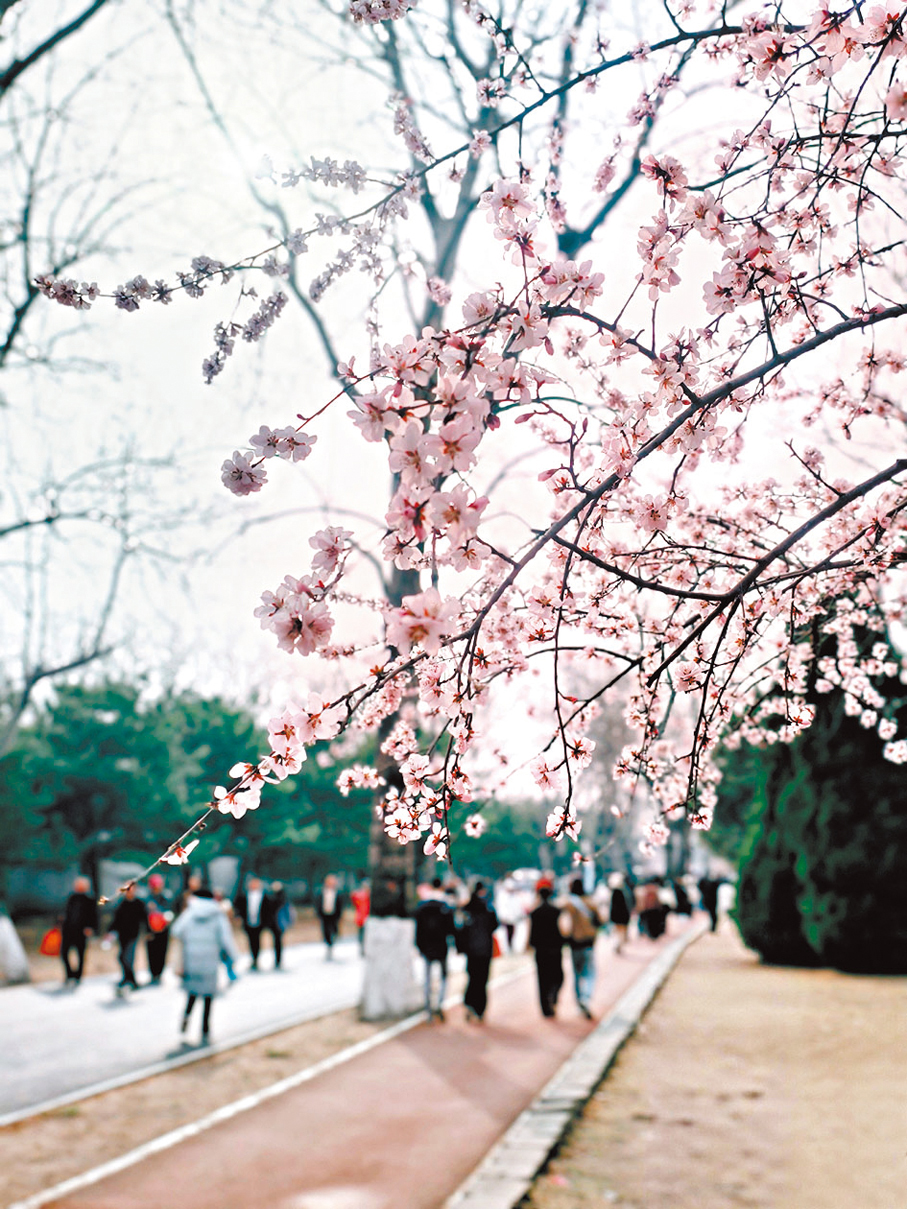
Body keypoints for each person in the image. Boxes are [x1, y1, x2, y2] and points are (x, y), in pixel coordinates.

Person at [172, 887, 238, 1044]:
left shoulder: (189, 913)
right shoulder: (218, 915)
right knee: (208, 995)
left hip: (191, 959)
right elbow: (226, 938)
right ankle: (205, 1028)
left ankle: (186, 1016)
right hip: (210, 960)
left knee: (192, 993)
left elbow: (176, 930)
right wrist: (233, 957)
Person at [559, 876, 601, 1019]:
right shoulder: (590, 903)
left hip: (574, 943)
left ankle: (579, 1001)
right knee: (590, 972)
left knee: (576, 974)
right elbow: (600, 920)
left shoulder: (568, 903)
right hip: (589, 942)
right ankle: (586, 998)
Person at [415, 877, 455, 1020]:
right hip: (441, 946)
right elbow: (451, 929)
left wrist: (419, 946)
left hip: (427, 947)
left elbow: (418, 929)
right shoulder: (446, 906)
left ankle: (428, 1008)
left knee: (427, 978)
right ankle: (439, 1003)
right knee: (443, 976)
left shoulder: (422, 906)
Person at [459, 881, 498, 1022]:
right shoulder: (488, 908)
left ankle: (470, 1002)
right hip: (485, 949)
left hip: (471, 950)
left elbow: (461, 929)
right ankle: (479, 1007)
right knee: (482, 979)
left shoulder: (466, 909)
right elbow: (495, 925)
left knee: (472, 976)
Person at [528, 878, 564, 1017]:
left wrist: (529, 945)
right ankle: (553, 995)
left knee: (542, 979)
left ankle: (545, 1008)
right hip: (555, 948)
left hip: (541, 950)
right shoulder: (556, 910)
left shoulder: (534, 912)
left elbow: (532, 932)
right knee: (558, 975)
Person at [109, 883, 147, 995]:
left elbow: (144, 918)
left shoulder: (139, 903)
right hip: (122, 935)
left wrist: (148, 931)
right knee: (121, 957)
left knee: (128, 958)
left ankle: (130, 980)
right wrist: (110, 931)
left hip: (133, 935)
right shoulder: (121, 904)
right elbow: (116, 920)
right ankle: (128, 979)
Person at [60, 875, 98, 986]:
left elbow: (94, 915)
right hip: (68, 930)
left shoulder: (89, 899)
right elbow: (66, 912)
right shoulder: (71, 898)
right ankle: (69, 974)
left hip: (81, 931)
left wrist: (91, 927)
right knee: (64, 953)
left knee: (80, 955)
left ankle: (78, 976)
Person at [144, 873, 174, 985]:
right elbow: (144, 916)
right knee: (151, 952)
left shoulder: (166, 897)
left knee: (162, 952)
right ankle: (153, 974)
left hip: (163, 929)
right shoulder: (147, 899)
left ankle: (160, 974)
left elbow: (170, 911)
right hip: (151, 930)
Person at [233, 876, 266, 970]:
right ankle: (252, 958)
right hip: (248, 922)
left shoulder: (264, 896)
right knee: (250, 940)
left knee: (257, 940)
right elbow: (238, 907)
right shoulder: (244, 896)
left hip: (259, 922)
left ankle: (256, 958)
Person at [316, 874, 344, 959]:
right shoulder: (322, 892)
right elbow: (318, 903)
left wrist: (340, 915)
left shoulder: (338, 893)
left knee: (334, 930)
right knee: (326, 931)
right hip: (325, 914)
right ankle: (328, 944)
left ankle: (332, 942)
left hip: (334, 915)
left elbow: (340, 905)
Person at [262, 880, 287, 970]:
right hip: (272, 922)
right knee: (276, 941)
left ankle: (278, 960)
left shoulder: (282, 898)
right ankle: (277, 960)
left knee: (278, 942)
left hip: (279, 923)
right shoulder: (269, 897)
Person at [494, 876, 523, 952]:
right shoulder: (502, 895)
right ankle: (507, 947)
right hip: (505, 918)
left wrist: (518, 915)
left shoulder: (515, 896)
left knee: (512, 932)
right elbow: (500, 906)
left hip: (513, 918)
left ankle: (511, 945)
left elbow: (517, 906)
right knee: (505, 933)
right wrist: (501, 916)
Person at [607, 872, 631, 954]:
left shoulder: (615, 893)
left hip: (617, 916)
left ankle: (618, 946)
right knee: (621, 933)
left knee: (618, 932)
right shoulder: (624, 892)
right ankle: (619, 946)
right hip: (622, 916)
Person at [350, 878, 371, 953]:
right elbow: (354, 900)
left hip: (368, 917)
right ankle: (362, 947)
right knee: (362, 933)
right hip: (362, 917)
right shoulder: (360, 895)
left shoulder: (370, 895)